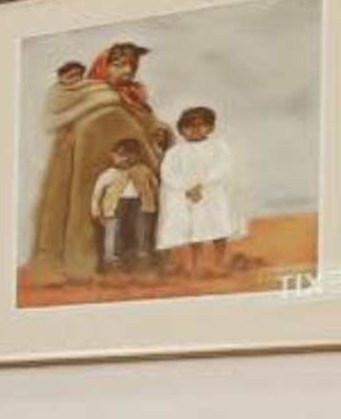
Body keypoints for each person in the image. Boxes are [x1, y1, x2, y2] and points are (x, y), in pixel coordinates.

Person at [27, 40, 170, 282]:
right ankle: (84, 264)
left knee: (134, 225)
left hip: (132, 181)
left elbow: (144, 125)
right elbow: (84, 127)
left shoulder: (132, 95)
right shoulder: (90, 92)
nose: (126, 71)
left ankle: (132, 264)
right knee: (100, 221)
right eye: (118, 65)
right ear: (104, 66)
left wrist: (158, 131)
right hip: (94, 173)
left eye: (131, 66)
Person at [159, 104, 241, 276]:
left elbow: (222, 168)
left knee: (218, 229)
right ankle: (195, 266)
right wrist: (186, 188)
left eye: (200, 125)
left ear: (210, 127)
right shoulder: (175, 152)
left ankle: (220, 263)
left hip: (212, 195)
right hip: (187, 197)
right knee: (194, 233)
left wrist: (202, 185)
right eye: (189, 126)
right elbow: (168, 174)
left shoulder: (218, 147)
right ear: (181, 129)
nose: (195, 130)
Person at [90, 142, 153, 275]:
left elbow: (155, 186)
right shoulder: (108, 174)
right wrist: (95, 210)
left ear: (137, 156)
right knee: (113, 230)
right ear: (112, 156)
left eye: (130, 155)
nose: (126, 158)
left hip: (139, 205)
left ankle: (142, 257)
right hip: (114, 206)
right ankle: (112, 260)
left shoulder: (143, 170)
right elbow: (97, 193)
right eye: (121, 155)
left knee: (141, 230)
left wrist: (153, 203)